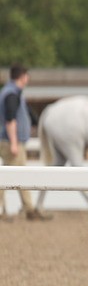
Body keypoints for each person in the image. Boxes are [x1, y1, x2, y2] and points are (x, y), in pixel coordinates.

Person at [1, 63, 51, 221]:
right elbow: (10, 120)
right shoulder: (11, 94)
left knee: (15, 175)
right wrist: (14, 142)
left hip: (10, 141)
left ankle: (29, 209)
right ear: (22, 76)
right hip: (10, 142)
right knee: (11, 176)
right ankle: (28, 209)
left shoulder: (13, 93)